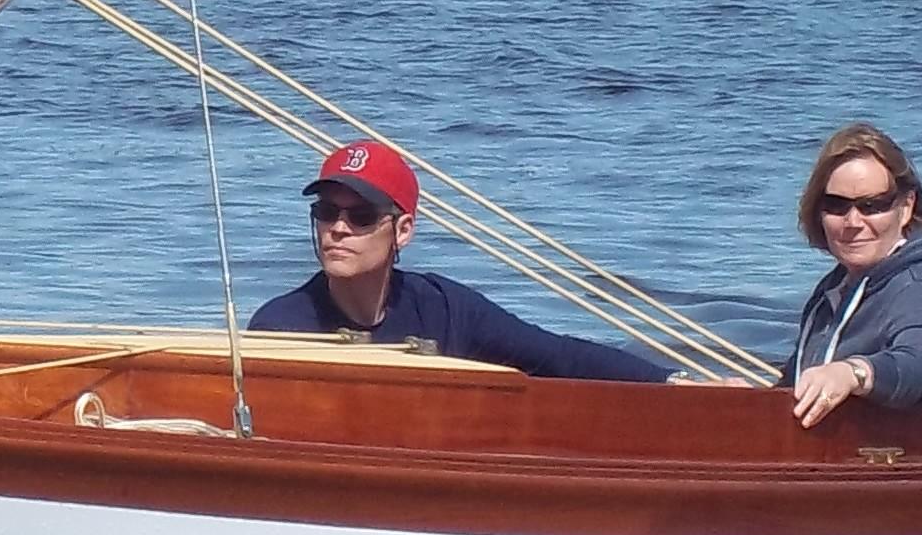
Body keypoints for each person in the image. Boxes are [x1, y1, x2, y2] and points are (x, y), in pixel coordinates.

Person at [248, 139, 672, 383]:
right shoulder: (279, 327)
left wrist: (673, 384)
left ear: (403, 231)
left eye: (360, 216)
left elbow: (560, 356)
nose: (338, 229)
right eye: (326, 212)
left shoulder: (446, 310)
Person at [784, 122, 922, 428]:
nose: (852, 221)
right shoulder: (835, 288)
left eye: (872, 206)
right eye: (836, 205)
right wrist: (748, 399)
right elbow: (807, 387)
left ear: (906, 207)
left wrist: (853, 373)